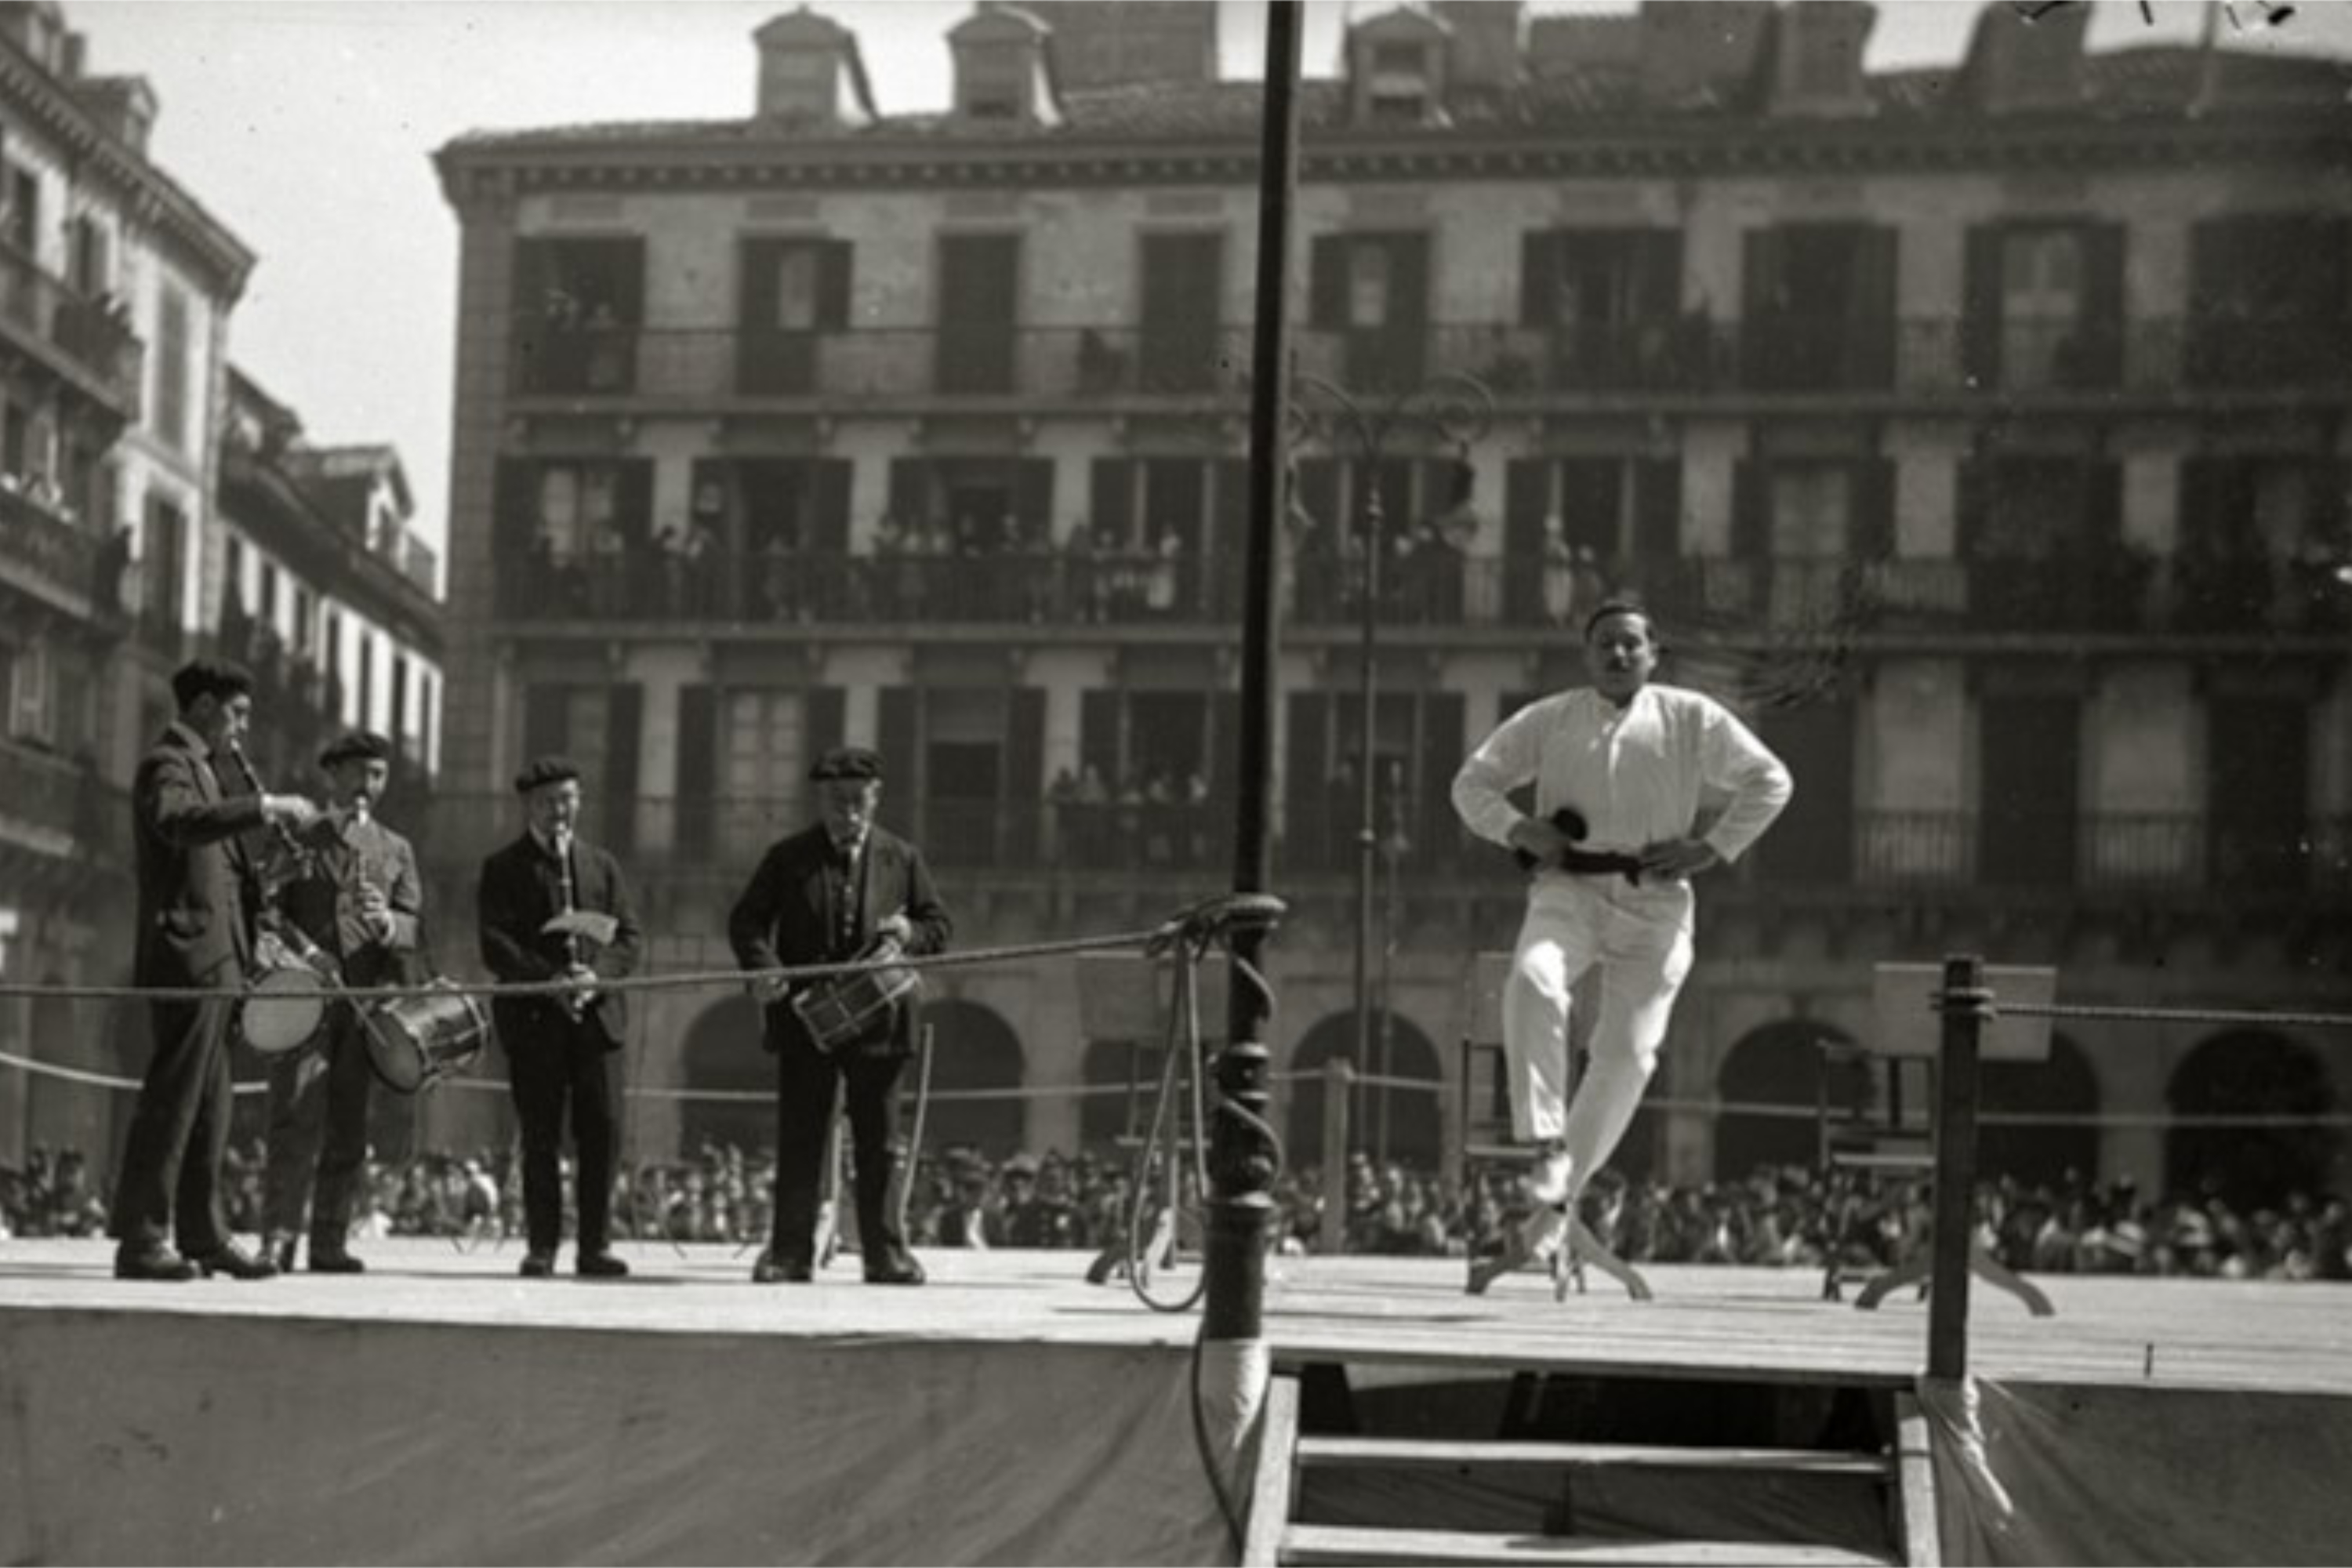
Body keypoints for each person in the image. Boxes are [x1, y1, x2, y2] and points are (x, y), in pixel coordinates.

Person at [1451, 601, 1791, 1294]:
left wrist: (1711, 847)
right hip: (1567, 891)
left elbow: (1772, 781)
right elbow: (1471, 784)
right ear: (1587, 654)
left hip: (1655, 901)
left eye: (1630, 644)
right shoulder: (1550, 719)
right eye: (1603, 643)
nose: (1616, 655)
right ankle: (1548, 1142)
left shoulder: (1692, 718)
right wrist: (1519, 830)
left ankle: (1552, 1213)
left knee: (1629, 1054)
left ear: (1653, 652)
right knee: (1534, 978)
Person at [111, 658, 319, 1281]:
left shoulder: (206, 772)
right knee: (175, 1101)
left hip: (219, 961)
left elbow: (223, 874)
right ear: (202, 706)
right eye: (237, 715)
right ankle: (143, 1239)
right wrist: (264, 805)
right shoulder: (167, 764)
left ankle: (204, 1235)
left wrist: (271, 880)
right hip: (188, 957)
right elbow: (177, 826)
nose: (242, 730)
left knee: (212, 1107)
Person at [728, 746, 951, 1285]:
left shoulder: (903, 858)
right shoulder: (787, 858)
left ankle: (886, 1255)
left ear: (875, 800)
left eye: (857, 800)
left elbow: (939, 927)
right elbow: (747, 923)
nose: (847, 812)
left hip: (880, 1022)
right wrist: (765, 968)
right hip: (807, 1025)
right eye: (836, 801)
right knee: (801, 1140)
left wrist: (909, 935)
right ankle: (789, 1254)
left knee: (880, 1145)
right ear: (820, 801)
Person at [260, 730, 426, 1273]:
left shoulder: (397, 849)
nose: (368, 786)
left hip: (363, 1009)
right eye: (357, 773)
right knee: (294, 1118)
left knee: (349, 1126)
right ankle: (278, 1238)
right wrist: (307, 954)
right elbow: (266, 912)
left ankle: (328, 1241)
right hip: (304, 1000)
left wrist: (387, 925)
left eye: (377, 775)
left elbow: (414, 929)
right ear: (333, 776)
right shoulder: (299, 836)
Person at [477, 755, 643, 1279]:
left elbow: (628, 938)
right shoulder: (502, 868)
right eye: (549, 802)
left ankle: (595, 1245)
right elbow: (494, 943)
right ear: (529, 805)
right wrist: (549, 979)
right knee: (541, 1135)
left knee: (603, 1131)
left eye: (568, 800)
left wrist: (596, 978)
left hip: (597, 1020)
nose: (559, 811)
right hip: (536, 1022)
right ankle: (542, 1246)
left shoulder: (602, 865)